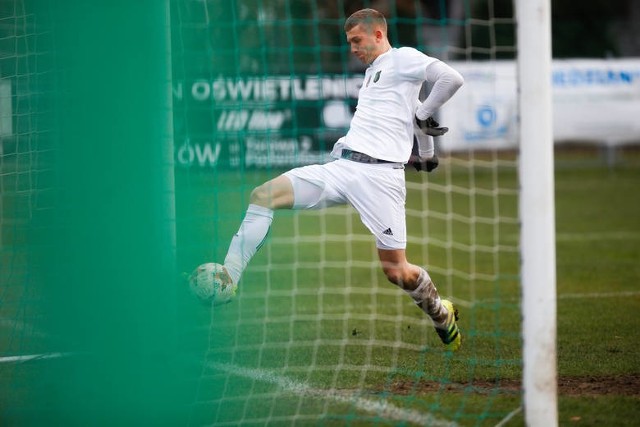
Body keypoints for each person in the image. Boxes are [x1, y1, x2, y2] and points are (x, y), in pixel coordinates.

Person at [202, 8, 464, 351]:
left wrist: (423, 116)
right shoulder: (374, 72)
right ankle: (229, 278)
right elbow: (419, 120)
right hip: (342, 166)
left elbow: (451, 79)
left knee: (396, 271)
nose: (353, 48)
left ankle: (440, 312)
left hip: (381, 178)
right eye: (349, 42)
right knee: (263, 194)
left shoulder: (404, 59)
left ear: (378, 35)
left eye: (357, 41)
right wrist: (427, 152)